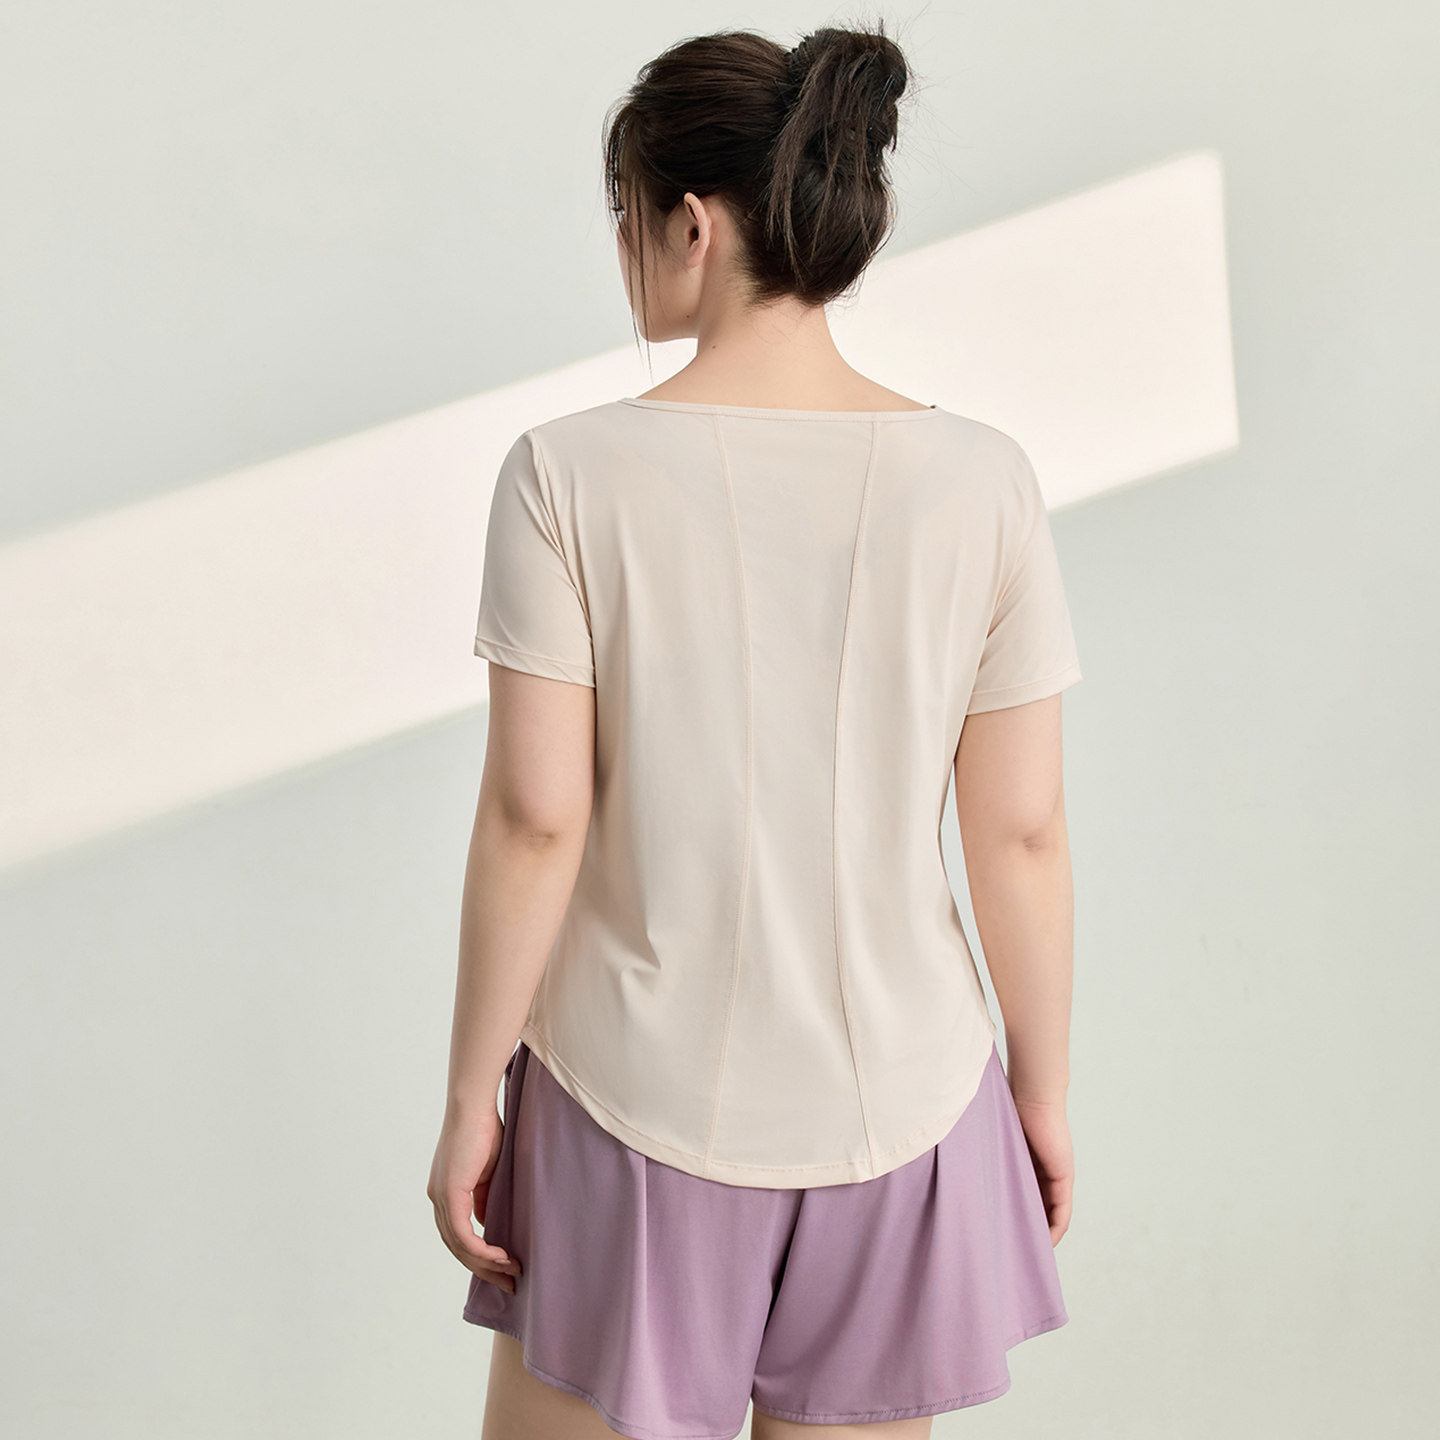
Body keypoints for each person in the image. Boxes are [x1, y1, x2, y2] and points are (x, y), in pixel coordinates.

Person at [428, 22, 1082, 1440]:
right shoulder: (984, 482)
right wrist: (1040, 1091)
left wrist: (473, 1095)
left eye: (625, 213)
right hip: (907, 1110)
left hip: (624, 1098)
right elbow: (1021, 831)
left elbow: (537, 818)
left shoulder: (564, 475)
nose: (623, 249)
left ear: (691, 221)